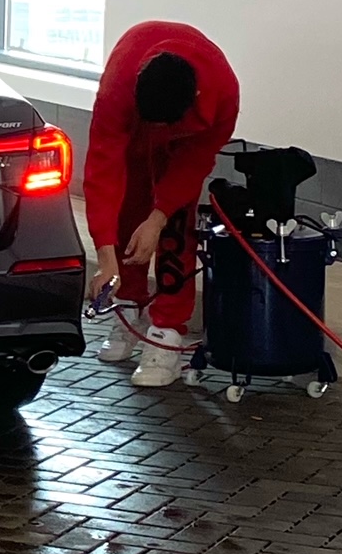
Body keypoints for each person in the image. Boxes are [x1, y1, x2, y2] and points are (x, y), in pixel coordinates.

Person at [84, 21, 240, 387]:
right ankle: (128, 302)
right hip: (135, 129)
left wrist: (159, 215)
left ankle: (167, 331)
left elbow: (195, 163)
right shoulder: (118, 88)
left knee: (175, 227)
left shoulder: (224, 94)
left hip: (187, 142)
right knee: (126, 212)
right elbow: (103, 167)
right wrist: (105, 255)